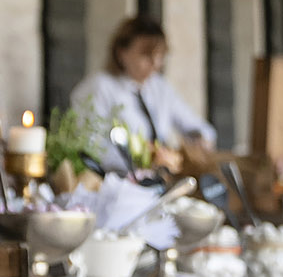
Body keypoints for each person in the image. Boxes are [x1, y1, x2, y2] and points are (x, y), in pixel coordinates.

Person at [71, 17, 216, 173]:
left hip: (159, 177)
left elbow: (200, 127)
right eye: (146, 55)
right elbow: (90, 147)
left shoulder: (159, 87)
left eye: (160, 56)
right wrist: (139, 160)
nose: (155, 63)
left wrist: (200, 140)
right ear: (121, 53)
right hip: (117, 178)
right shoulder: (99, 87)